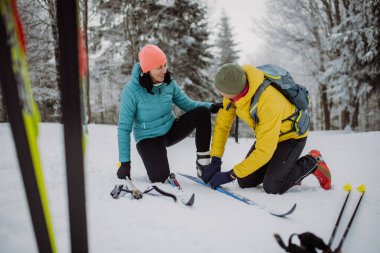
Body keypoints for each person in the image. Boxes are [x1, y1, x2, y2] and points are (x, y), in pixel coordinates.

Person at [201, 63, 331, 194]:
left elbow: (264, 151)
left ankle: (313, 161)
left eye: (221, 91)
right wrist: (216, 160)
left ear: (233, 91)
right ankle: (284, 170)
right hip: (267, 137)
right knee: (245, 180)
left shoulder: (268, 100)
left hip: (291, 137)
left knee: (273, 186)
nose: (220, 93)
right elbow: (222, 126)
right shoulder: (231, 96)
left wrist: (230, 175)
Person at [117, 44, 222, 183]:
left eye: (165, 65)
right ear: (147, 69)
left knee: (202, 113)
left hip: (170, 129)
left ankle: (203, 165)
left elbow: (188, 105)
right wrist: (125, 163)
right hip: (148, 138)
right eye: (159, 67)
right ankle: (157, 157)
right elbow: (124, 128)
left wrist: (212, 107)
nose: (164, 71)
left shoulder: (168, 83)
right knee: (160, 178)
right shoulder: (131, 91)